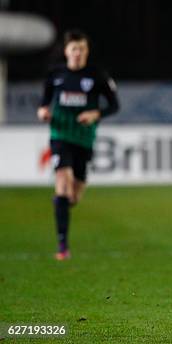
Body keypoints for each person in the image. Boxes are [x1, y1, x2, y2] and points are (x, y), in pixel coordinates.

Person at [37, 30, 119, 261]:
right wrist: (43, 111)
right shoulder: (55, 74)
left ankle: (63, 203)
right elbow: (44, 103)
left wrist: (95, 113)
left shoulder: (97, 75)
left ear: (87, 51)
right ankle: (63, 246)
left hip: (84, 138)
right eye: (74, 49)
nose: (77, 53)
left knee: (72, 197)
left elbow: (114, 105)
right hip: (60, 135)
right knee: (62, 181)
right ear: (66, 51)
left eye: (82, 49)